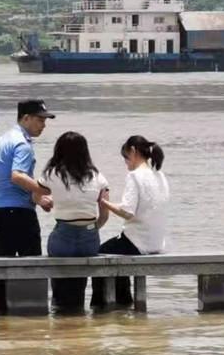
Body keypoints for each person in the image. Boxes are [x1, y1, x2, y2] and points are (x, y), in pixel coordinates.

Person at [0, 99, 55, 314]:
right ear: (25, 118)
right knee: (32, 263)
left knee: (3, 263)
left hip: (0, 208)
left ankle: (0, 314)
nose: (43, 125)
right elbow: (17, 176)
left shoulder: (5, 138)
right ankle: (33, 312)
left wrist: (37, 198)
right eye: (40, 120)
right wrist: (45, 190)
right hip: (18, 211)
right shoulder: (22, 144)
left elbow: (10, 182)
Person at [91, 135, 170, 307]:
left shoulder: (135, 176)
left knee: (99, 255)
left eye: (126, 158)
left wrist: (103, 202)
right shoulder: (160, 175)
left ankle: (104, 307)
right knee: (116, 248)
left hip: (138, 243)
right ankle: (124, 303)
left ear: (133, 151)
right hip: (157, 243)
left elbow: (127, 212)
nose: (126, 163)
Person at [37, 131, 110, 311]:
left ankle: (60, 309)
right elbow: (105, 213)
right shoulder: (98, 177)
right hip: (89, 240)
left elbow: (36, 194)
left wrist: (44, 202)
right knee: (80, 278)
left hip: (62, 237)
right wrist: (92, 228)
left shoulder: (51, 174)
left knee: (60, 277)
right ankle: (77, 309)